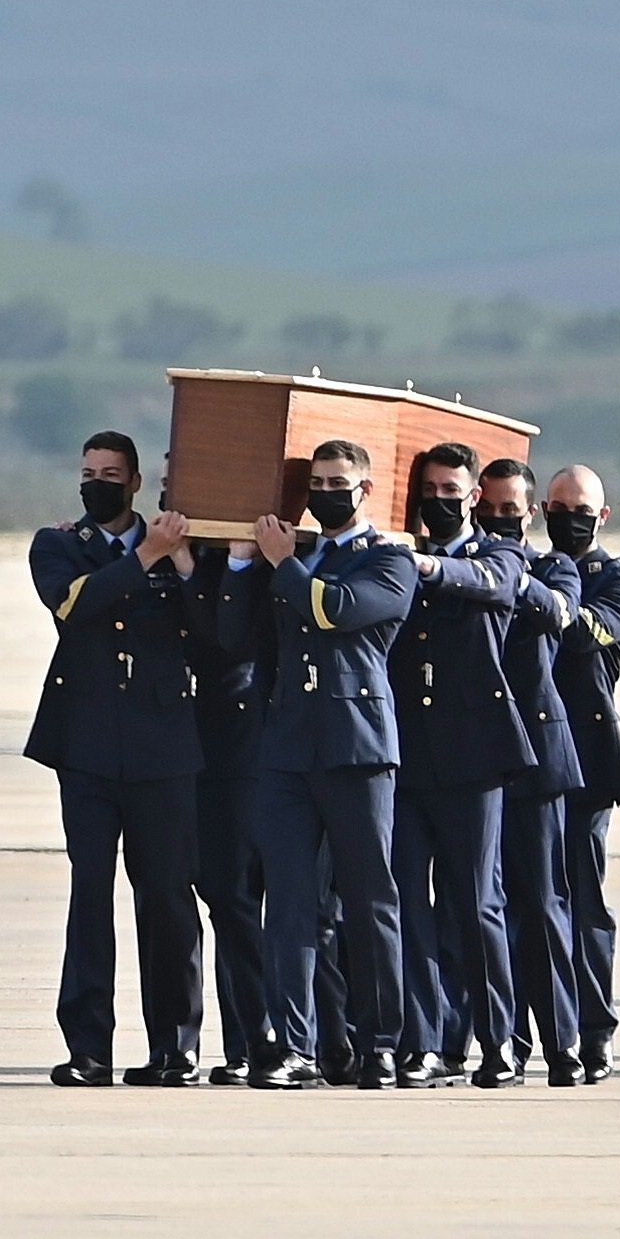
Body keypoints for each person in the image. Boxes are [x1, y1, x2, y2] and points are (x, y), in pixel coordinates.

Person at [221, 439, 417, 1090]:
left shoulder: (389, 559)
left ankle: (381, 1042)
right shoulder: (292, 557)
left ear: (364, 491)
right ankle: (293, 1043)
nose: (327, 491)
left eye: (340, 481)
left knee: (370, 900)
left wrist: (281, 564)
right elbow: (234, 638)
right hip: (288, 747)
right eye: (319, 480)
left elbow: (335, 612)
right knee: (291, 904)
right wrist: (246, 568)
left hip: (357, 745)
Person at [26, 430, 204, 1087]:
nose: (96, 481)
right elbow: (73, 603)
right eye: (87, 471)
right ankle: (88, 1046)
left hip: (164, 743)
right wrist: (145, 557)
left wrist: (180, 563)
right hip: (88, 744)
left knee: (166, 896)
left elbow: (216, 629)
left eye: (109, 472)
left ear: (135, 482)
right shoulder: (59, 543)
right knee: (89, 890)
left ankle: (173, 1045)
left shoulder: (179, 545)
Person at [387, 442, 536, 1089]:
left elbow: (493, 586)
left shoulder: (495, 553)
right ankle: (422, 1042)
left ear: (474, 497)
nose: (441, 502)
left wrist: (423, 565)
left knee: (477, 904)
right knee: (409, 906)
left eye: (453, 492)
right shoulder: (395, 557)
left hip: (474, 755)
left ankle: (496, 1039)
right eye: (432, 491)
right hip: (407, 752)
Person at [481, 457, 587, 1086]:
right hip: (475, 754)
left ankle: (562, 1042)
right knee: (485, 905)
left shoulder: (551, 567)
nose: (500, 521)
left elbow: (560, 613)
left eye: (511, 511)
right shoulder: (462, 570)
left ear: (532, 514)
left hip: (539, 755)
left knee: (544, 903)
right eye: (488, 510)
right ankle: (503, 1041)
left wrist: (508, 576)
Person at [545, 464, 620, 1083]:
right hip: (522, 753)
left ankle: (595, 1029)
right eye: (557, 506)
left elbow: (585, 633)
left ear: (601, 516)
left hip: (586, 760)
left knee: (585, 901)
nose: (567, 517)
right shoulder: (526, 568)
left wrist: (541, 596)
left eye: (579, 508)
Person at [185, 535, 272, 1085]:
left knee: (296, 904)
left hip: (263, 737)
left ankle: (291, 1036)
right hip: (213, 749)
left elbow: (232, 637)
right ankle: (247, 1038)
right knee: (229, 895)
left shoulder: (291, 552)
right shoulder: (184, 552)